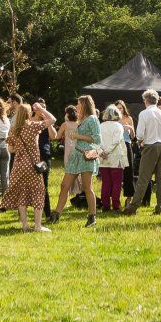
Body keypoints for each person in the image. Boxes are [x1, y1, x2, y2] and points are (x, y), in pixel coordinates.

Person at [0, 100, 57, 231]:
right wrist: (41, 109)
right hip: (32, 166)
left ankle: (25, 226)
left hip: (18, 166)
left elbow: (10, 149)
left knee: (22, 194)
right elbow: (53, 119)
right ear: (28, 113)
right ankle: (37, 225)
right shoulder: (33, 126)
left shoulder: (13, 130)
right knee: (38, 192)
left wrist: (21, 148)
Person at [131, 90, 161, 213]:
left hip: (150, 146)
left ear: (145, 100)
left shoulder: (144, 113)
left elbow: (140, 134)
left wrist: (139, 142)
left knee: (143, 177)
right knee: (160, 178)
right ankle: (160, 206)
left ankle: (133, 206)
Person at [68, 95, 102, 228]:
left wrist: (77, 136)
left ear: (85, 105)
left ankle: (92, 217)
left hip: (87, 156)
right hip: (79, 155)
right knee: (67, 185)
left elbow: (97, 139)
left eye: (79, 103)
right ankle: (56, 214)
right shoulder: (83, 119)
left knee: (87, 187)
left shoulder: (92, 119)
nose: (76, 105)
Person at [98, 104, 128, 213]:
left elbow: (97, 141)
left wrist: (102, 151)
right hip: (115, 157)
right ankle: (116, 205)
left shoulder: (100, 126)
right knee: (117, 182)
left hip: (103, 158)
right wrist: (107, 151)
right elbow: (116, 141)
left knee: (106, 182)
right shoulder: (118, 126)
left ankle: (105, 205)